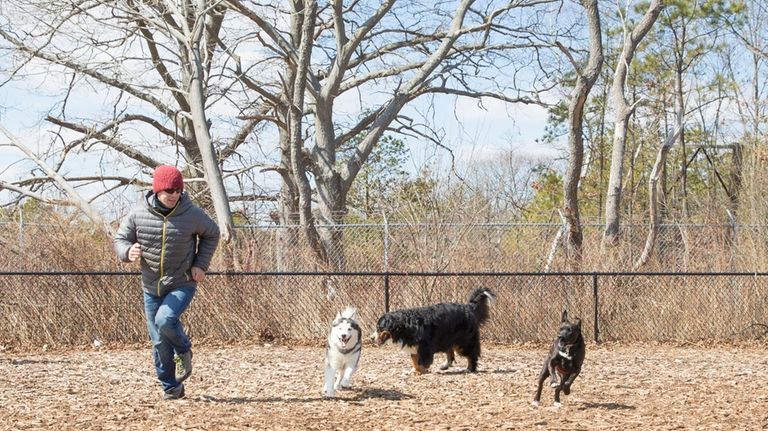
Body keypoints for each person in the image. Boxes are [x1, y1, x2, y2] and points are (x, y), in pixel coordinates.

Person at [114, 165, 220, 400]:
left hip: (182, 282)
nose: (174, 195)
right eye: (169, 190)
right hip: (151, 286)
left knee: (165, 320)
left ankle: (183, 350)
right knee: (160, 342)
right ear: (157, 190)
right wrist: (127, 251)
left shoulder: (192, 213)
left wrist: (200, 264)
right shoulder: (138, 213)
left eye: (178, 190)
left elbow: (212, 233)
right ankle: (172, 388)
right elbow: (120, 239)